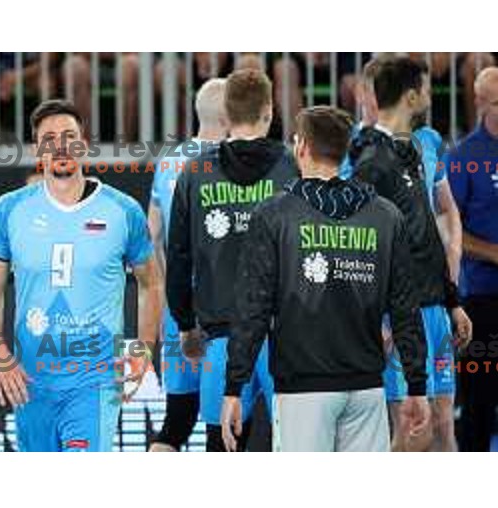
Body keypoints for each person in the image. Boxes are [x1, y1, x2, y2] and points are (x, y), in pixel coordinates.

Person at [221, 106, 430, 452]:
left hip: (304, 390)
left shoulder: (274, 214)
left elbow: (252, 310)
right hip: (366, 389)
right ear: (346, 149)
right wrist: (417, 386)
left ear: (301, 146)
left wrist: (233, 388)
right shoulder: (385, 215)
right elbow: (407, 308)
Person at [0, 99, 162, 452]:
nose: (60, 146)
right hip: (31, 383)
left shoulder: (123, 211)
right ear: (37, 150)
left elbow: (151, 283)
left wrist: (143, 349)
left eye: (69, 136)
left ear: (84, 144)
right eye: (49, 139)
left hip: (94, 382)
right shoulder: (10, 209)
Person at [167, 68, 298, 452]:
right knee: (294, 445)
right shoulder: (293, 167)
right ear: (270, 111)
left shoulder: (195, 172)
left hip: (221, 335)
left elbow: (178, 257)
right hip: (285, 337)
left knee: (221, 446)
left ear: (225, 114)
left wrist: (186, 324)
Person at [348, 57, 472, 451]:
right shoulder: (371, 161)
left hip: (434, 308)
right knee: (409, 434)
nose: (429, 93)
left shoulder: (412, 149)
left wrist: (452, 300)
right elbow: (362, 249)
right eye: (423, 86)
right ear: (410, 94)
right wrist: (378, 318)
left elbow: (427, 235)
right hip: (402, 316)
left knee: (439, 427)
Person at [148, 78, 228, 452]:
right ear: (230, 116)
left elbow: (153, 234)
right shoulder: (231, 165)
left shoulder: (168, 161)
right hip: (222, 314)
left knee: (176, 421)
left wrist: (169, 295)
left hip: (176, 311)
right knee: (228, 424)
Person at [448, 67, 498, 451]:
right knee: (478, 407)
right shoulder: (464, 156)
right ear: (480, 103)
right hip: (482, 297)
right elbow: (453, 229)